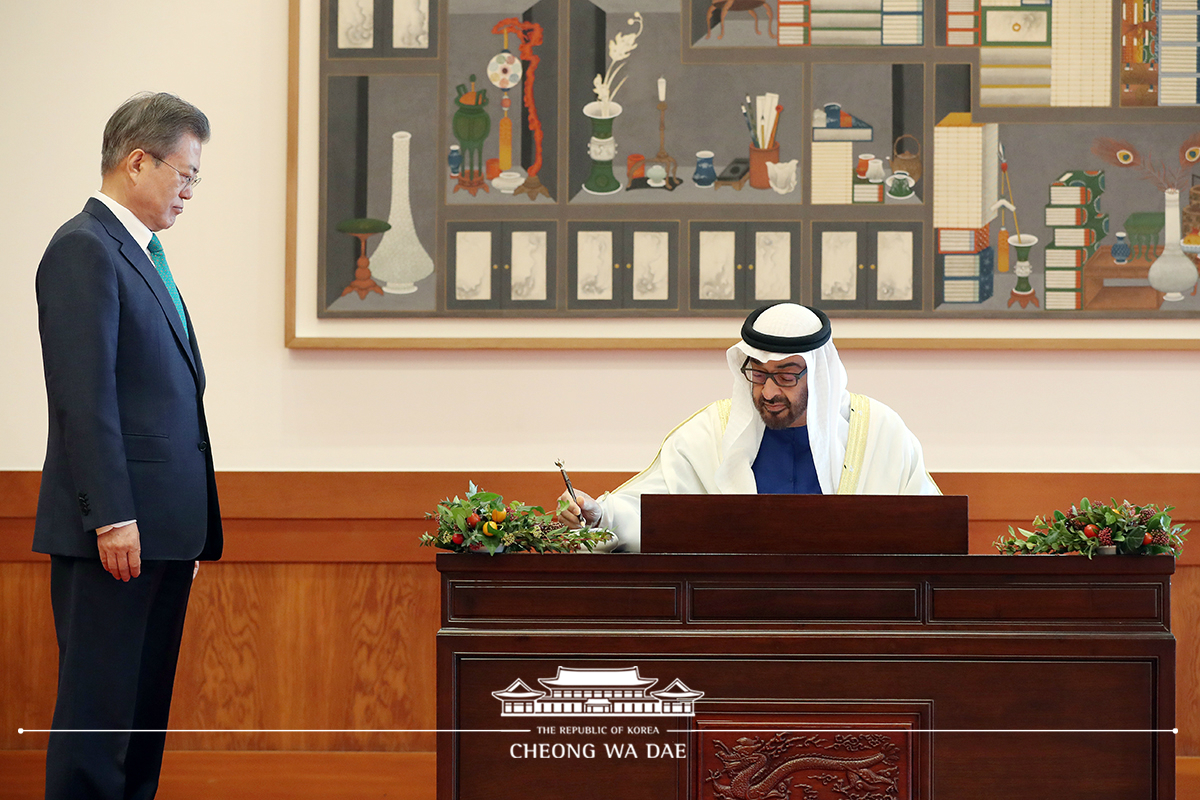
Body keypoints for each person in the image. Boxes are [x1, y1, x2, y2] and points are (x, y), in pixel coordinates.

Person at [34, 92, 222, 800]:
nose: (189, 192)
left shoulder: (141, 253)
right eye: (186, 174)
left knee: (141, 723)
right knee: (97, 721)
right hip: (116, 533)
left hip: (162, 533)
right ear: (138, 160)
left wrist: (184, 524)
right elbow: (84, 401)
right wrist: (112, 514)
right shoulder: (84, 248)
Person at [558, 302, 939, 551]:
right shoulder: (712, 432)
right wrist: (599, 516)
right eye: (758, 374)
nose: (769, 391)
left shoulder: (877, 433)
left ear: (818, 375)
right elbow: (649, 513)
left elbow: (931, 531)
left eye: (787, 376)